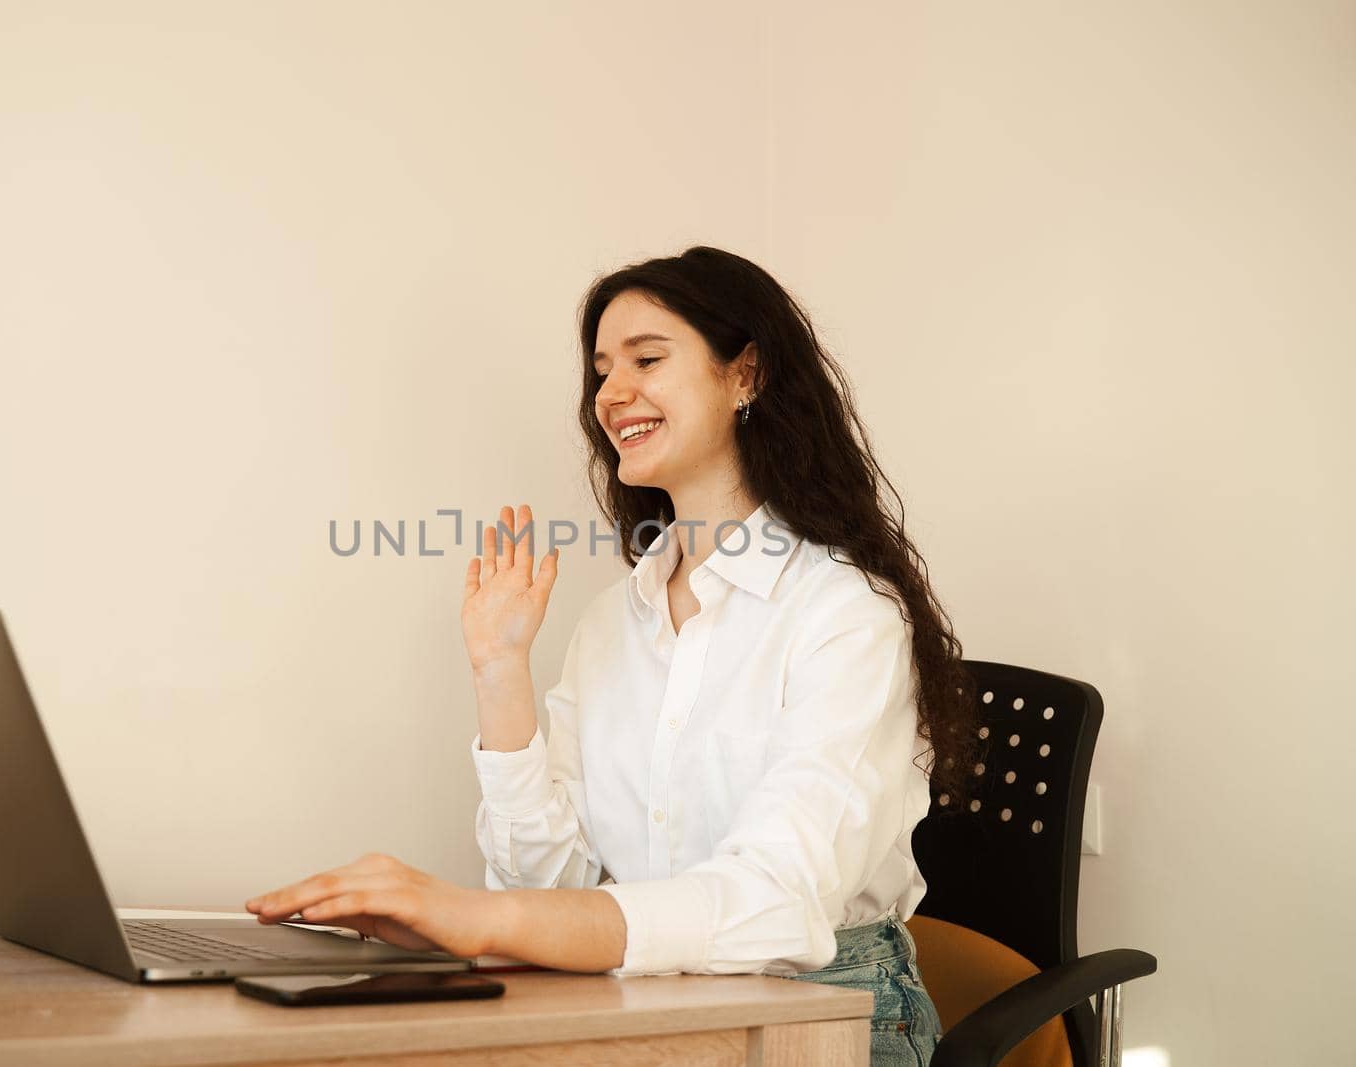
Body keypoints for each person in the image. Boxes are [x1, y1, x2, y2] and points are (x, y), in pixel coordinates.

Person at [246, 246, 975, 1066]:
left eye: (646, 359)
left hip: (826, 1017)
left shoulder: (846, 614)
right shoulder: (611, 622)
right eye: (601, 371)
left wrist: (482, 920)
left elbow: (774, 905)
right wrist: (500, 673)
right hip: (651, 1004)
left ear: (747, 375)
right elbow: (552, 887)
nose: (610, 394)